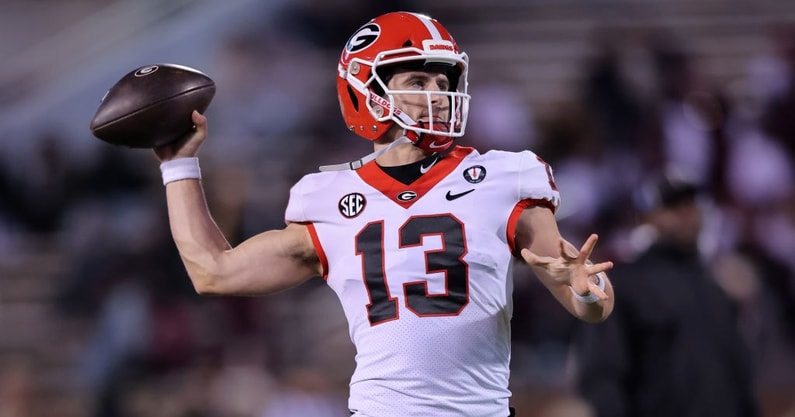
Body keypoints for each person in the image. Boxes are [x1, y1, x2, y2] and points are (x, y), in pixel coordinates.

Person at [153, 11, 615, 417]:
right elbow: (212, 272)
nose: (436, 94)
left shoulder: (502, 177)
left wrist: (587, 291)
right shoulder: (327, 198)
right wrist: (178, 164)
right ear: (367, 92)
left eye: (442, 81)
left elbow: (590, 303)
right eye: (417, 82)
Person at [573, 168, 759, 417]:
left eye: (691, 204)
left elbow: (740, 373)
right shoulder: (624, 285)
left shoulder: (714, 288)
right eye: (673, 206)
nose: (686, 214)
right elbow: (601, 376)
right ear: (648, 217)